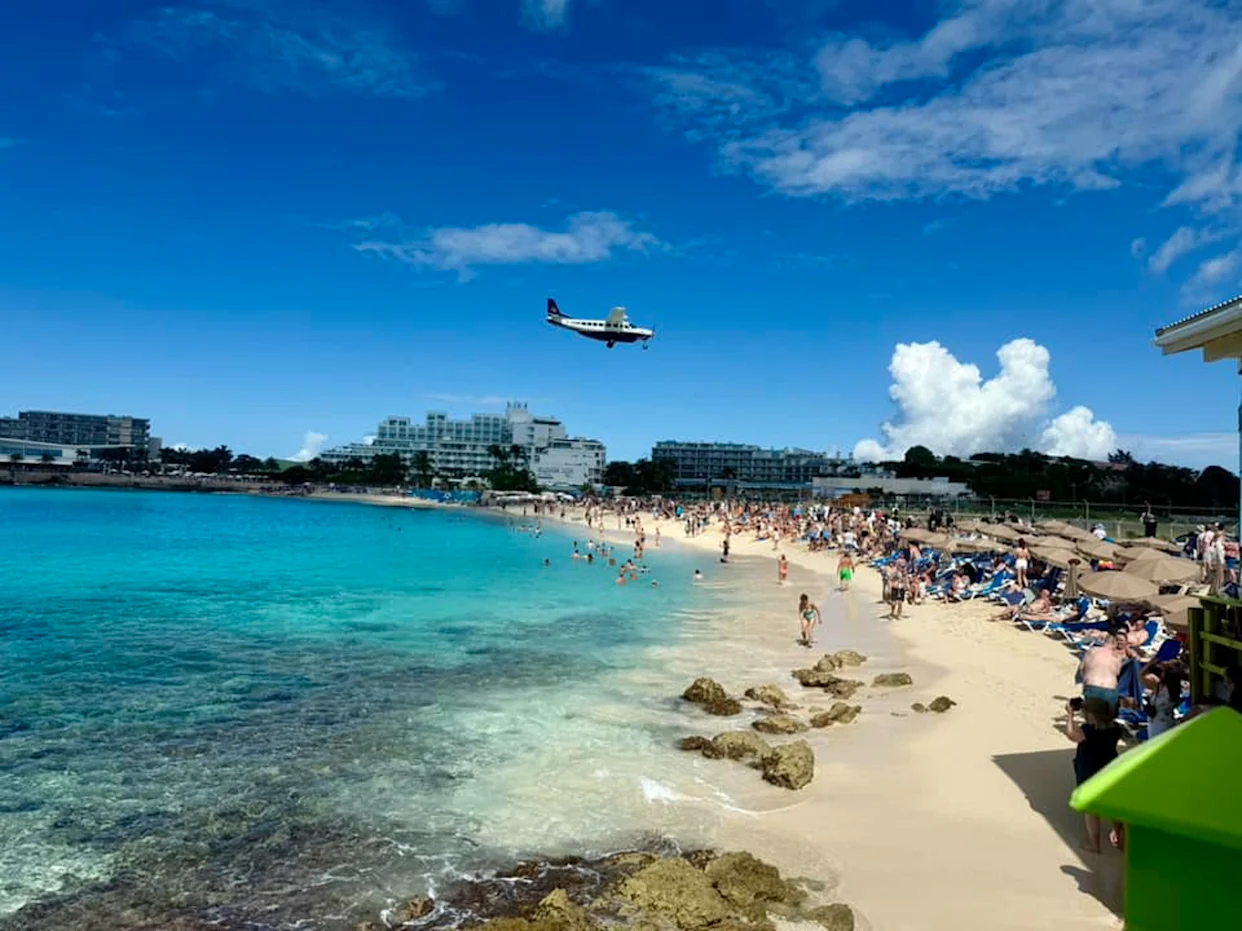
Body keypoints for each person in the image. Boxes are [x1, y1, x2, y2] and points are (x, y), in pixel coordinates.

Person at [1065, 697, 1124, 854]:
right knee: (1113, 806)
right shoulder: (1115, 729)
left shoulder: (1088, 731)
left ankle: (1095, 845)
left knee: (1091, 810)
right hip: (1109, 768)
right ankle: (1120, 838)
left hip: (1089, 769)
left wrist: (1070, 715)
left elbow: (1071, 734)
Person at [1080, 630, 1130, 713]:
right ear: (1115, 644)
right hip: (1109, 688)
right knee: (1107, 719)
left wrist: (1085, 686)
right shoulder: (1116, 657)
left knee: (1092, 717)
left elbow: (1082, 669)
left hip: (1092, 685)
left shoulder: (1092, 651)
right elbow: (1118, 674)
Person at [1146, 665, 1183, 739]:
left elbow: (1142, 674)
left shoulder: (1161, 688)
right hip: (1166, 720)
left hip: (1157, 721)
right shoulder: (1174, 691)